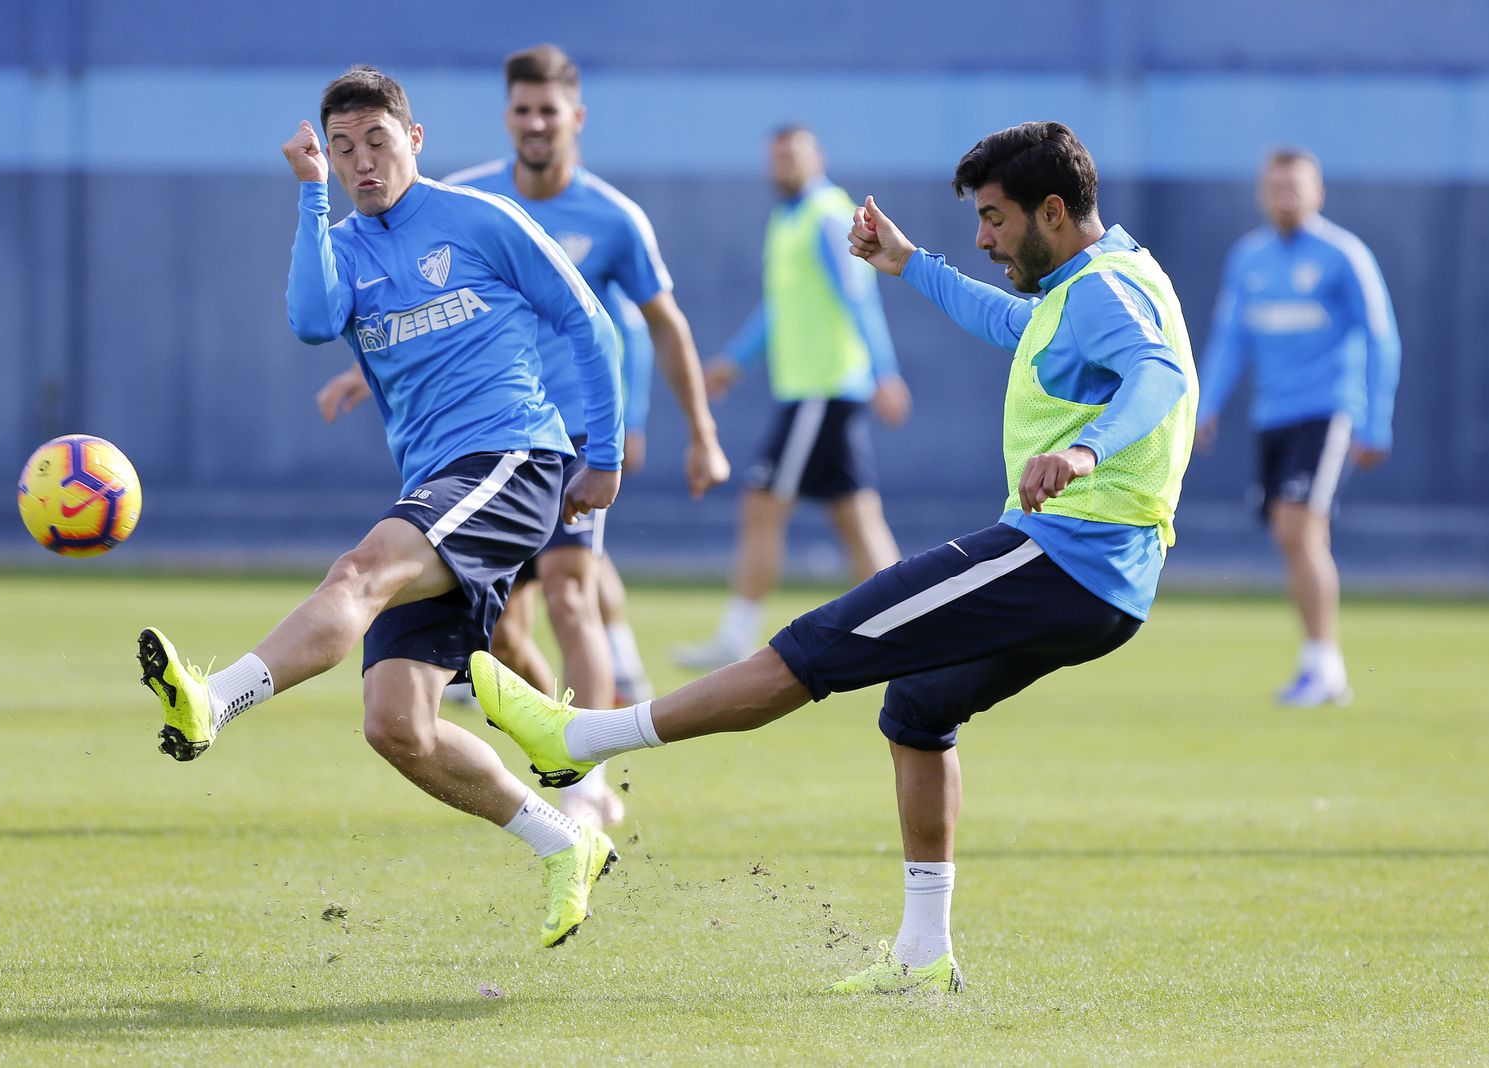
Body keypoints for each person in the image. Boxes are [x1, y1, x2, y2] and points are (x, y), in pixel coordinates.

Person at [473, 122, 1198, 993]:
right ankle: (923, 958)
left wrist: (1084, 453)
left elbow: (1159, 374)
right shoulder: (1100, 278)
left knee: (812, 649)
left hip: (1069, 557)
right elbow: (1015, 322)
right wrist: (911, 264)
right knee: (918, 708)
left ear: (1052, 211)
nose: (983, 238)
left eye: (996, 218)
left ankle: (584, 736)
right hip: (1106, 578)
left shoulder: (1105, 291)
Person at [136, 66, 626, 950]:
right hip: (435, 486)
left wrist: (607, 456)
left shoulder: (481, 218)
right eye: (343, 148)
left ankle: (213, 702)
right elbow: (311, 320)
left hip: (513, 458)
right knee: (397, 726)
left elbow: (589, 324)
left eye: (377, 140)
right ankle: (566, 843)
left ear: (415, 138)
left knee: (359, 572)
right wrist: (309, 194)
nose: (362, 161)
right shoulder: (343, 244)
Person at [316, 45, 729, 831]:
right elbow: (414, 301)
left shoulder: (614, 217)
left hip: (563, 436)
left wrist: (696, 433)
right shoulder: (466, 198)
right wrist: (359, 374)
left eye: (549, 111)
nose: (536, 124)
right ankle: (565, 740)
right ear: (507, 117)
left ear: (576, 119)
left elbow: (659, 325)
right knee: (502, 637)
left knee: (572, 594)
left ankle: (586, 788)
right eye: (523, 111)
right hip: (475, 437)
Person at [673, 126, 911, 671]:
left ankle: (735, 636)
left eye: (794, 156)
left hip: (821, 391)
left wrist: (885, 372)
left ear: (817, 158)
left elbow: (858, 294)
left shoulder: (828, 214)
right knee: (857, 516)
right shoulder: (787, 220)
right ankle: (914, 631)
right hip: (815, 392)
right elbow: (779, 307)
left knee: (761, 504)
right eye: (777, 158)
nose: (784, 165)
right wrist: (735, 360)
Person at [1196, 148, 1401, 708]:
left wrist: (1375, 420)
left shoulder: (1342, 255)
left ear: (1318, 193)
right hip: (1272, 417)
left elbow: (1381, 337)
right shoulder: (1248, 257)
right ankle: (1323, 666)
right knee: (1297, 535)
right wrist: (1205, 406)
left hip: (1327, 411)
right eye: (1276, 187)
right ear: (1263, 193)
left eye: (1295, 187)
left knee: (1296, 527)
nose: (1285, 196)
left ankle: (1323, 664)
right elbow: (1231, 339)